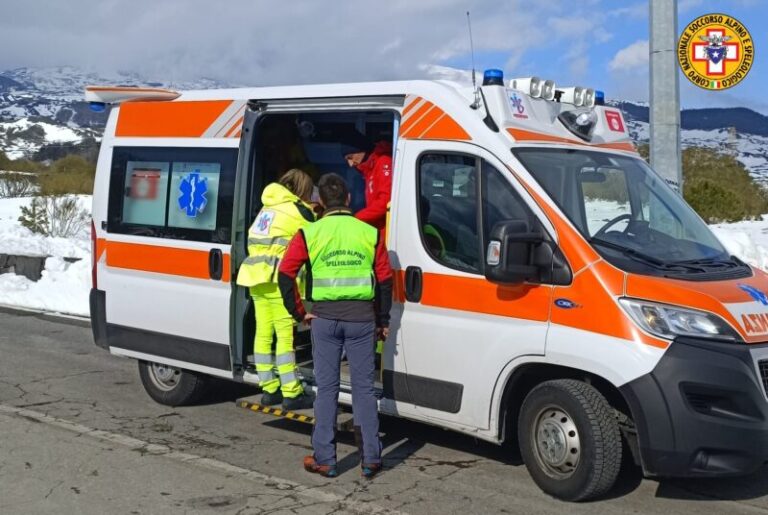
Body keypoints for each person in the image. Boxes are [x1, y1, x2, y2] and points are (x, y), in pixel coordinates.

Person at [278, 173, 393, 479]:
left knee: (326, 389)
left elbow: (286, 273)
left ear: (319, 203)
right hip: (362, 320)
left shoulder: (309, 233)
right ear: (349, 199)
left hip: (324, 320)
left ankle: (325, 459)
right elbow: (384, 279)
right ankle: (371, 459)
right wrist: (383, 321)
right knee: (364, 391)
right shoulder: (369, 233)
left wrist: (300, 312)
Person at [235, 168, 316, 410]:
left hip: (255, 276)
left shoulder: (266, 209)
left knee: (263, 332)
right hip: (280, 278)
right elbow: (317, 234)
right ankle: (291, 392)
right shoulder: (298, 210)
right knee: (284, 335)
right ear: (303, 189)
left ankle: (269, 388)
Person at [339, 130, 393, 232]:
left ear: (360, 150)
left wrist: (356, 219)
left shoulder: (383, 162)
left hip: (386, 229)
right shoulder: (369, 169)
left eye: (350, 157)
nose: (350, 164)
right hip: (379, 227)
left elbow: (385, 201)